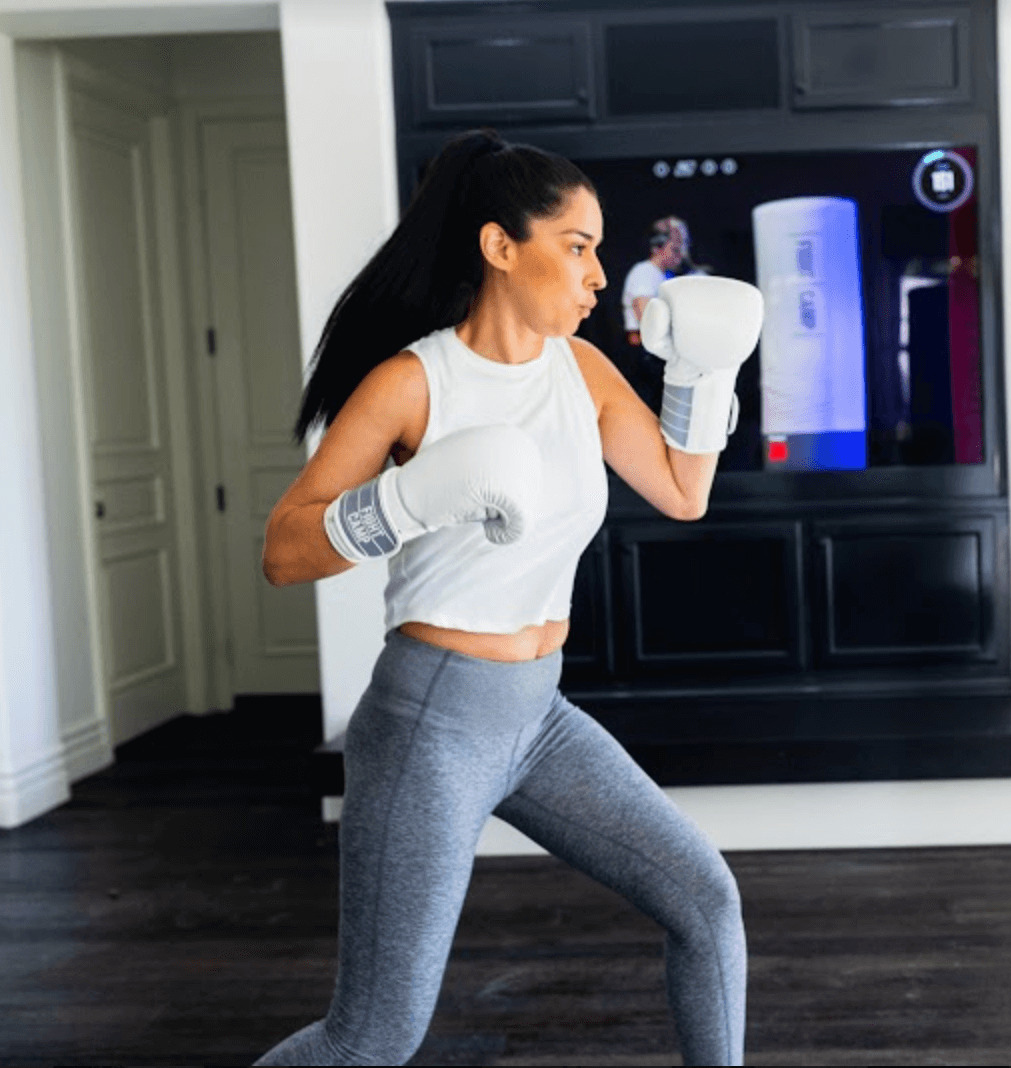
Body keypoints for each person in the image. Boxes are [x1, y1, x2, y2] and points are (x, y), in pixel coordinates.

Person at [255, 129, 762, 1066]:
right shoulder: (413, 382)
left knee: (705, 902)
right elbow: (285, 552)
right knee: (372, 1038)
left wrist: (706, 373)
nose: (600, 275)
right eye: (578, 247)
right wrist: (405, 499)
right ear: (500, 246)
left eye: (600, 250)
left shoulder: (582, 371)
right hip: (428, 727)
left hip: (540, 717)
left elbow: (683, 494)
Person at [617, 216, 693, 410]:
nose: (681, 255)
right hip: (645, 358)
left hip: (655, 356)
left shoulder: (661, 276)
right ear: (657, 247)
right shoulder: (645, 272)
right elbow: (648, 321)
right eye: (675, 248)